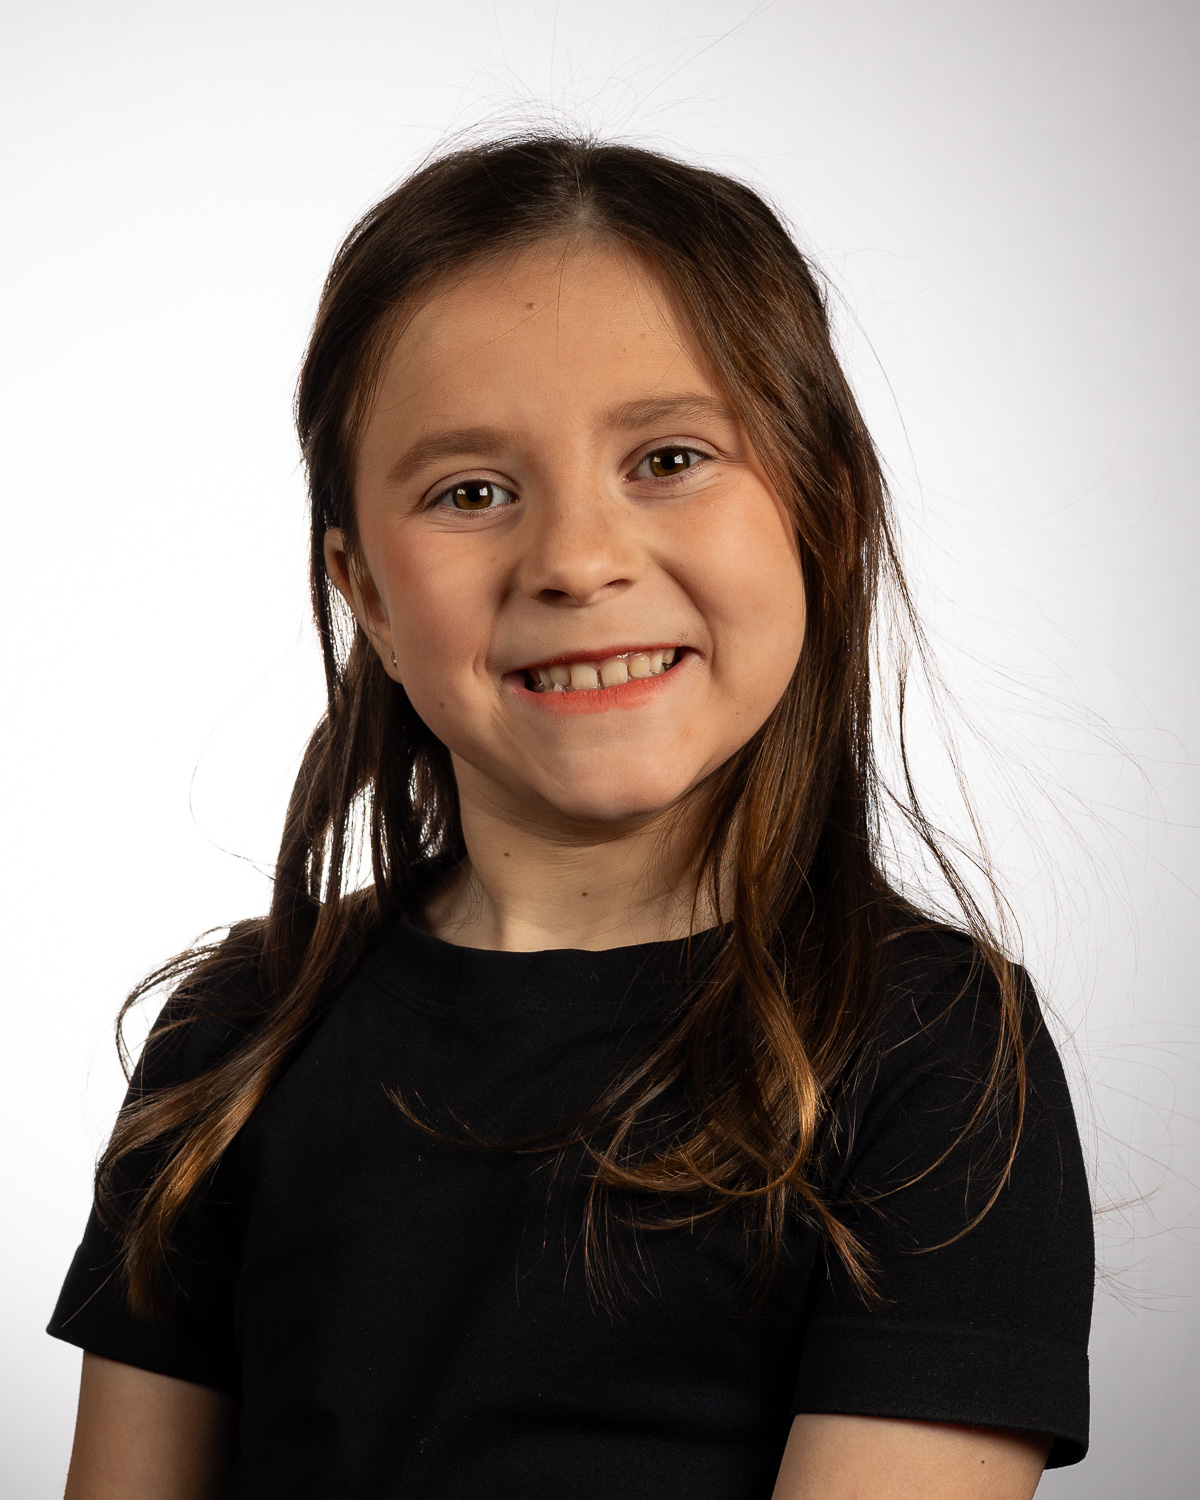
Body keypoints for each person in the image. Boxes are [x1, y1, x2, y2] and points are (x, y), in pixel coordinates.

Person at [49, 135, 1094, 1500]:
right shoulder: (234, 1038)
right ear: (366, 592)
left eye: (668, 457)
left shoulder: (938, 1057)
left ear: (822, 512)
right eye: (472, 493)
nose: (577, 561)